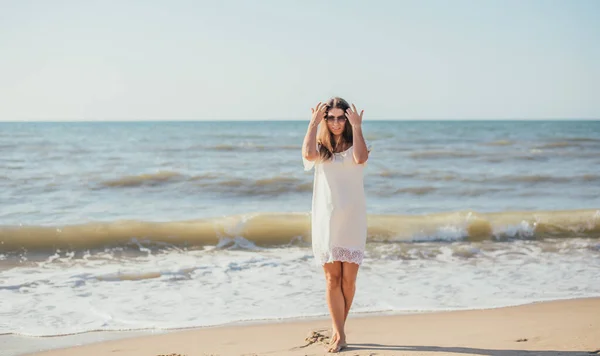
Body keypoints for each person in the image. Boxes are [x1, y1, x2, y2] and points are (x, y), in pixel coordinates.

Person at [301, 97, 369, 353]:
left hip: (352, 218)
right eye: (331, 118)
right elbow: (307, 154)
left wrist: (358, 127)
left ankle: (337, 328)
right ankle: (339, 334)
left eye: (342, 117)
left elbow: (361, 159)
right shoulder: (320, 149)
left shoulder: (357, 145)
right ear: (325, 120)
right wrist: (312, 124)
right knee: (333, 279)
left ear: (348, 119)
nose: (337, 122)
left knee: (348, 282)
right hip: (326, 219)